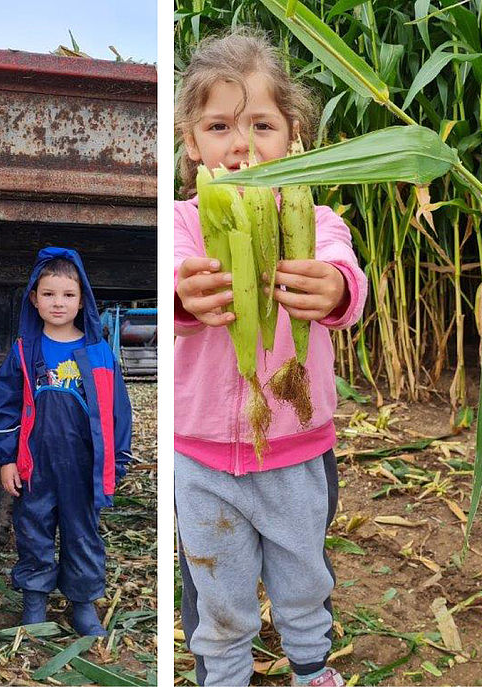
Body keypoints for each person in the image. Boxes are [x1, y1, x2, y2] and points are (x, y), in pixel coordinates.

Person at [174, 28, 368, 687]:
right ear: (192, 144)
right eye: (220, 125)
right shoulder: (180, 224)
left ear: (294, 139)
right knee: (217, 588)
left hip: (294, 447)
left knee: (303, 573)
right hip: (201, 457)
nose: (242, 145)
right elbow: (170, 274)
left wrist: (335, 285)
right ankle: (223, 672)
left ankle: (311, 666)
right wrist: (182, 294)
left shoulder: (316, 221)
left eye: (262, 124)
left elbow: (344, 274)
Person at [0, 247, 133, 636]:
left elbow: (118, 412)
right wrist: (6, 459)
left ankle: (83, 604)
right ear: (34, 299)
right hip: (35, 465)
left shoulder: (99, 353)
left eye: (68, 295)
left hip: (83, 467)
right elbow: (5, 407)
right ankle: (34, 603)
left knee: (82, 534)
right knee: (33, 533)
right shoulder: (24, 351)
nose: (58, 303)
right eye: (49, 294)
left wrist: (115, 463)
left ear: (82, 298)